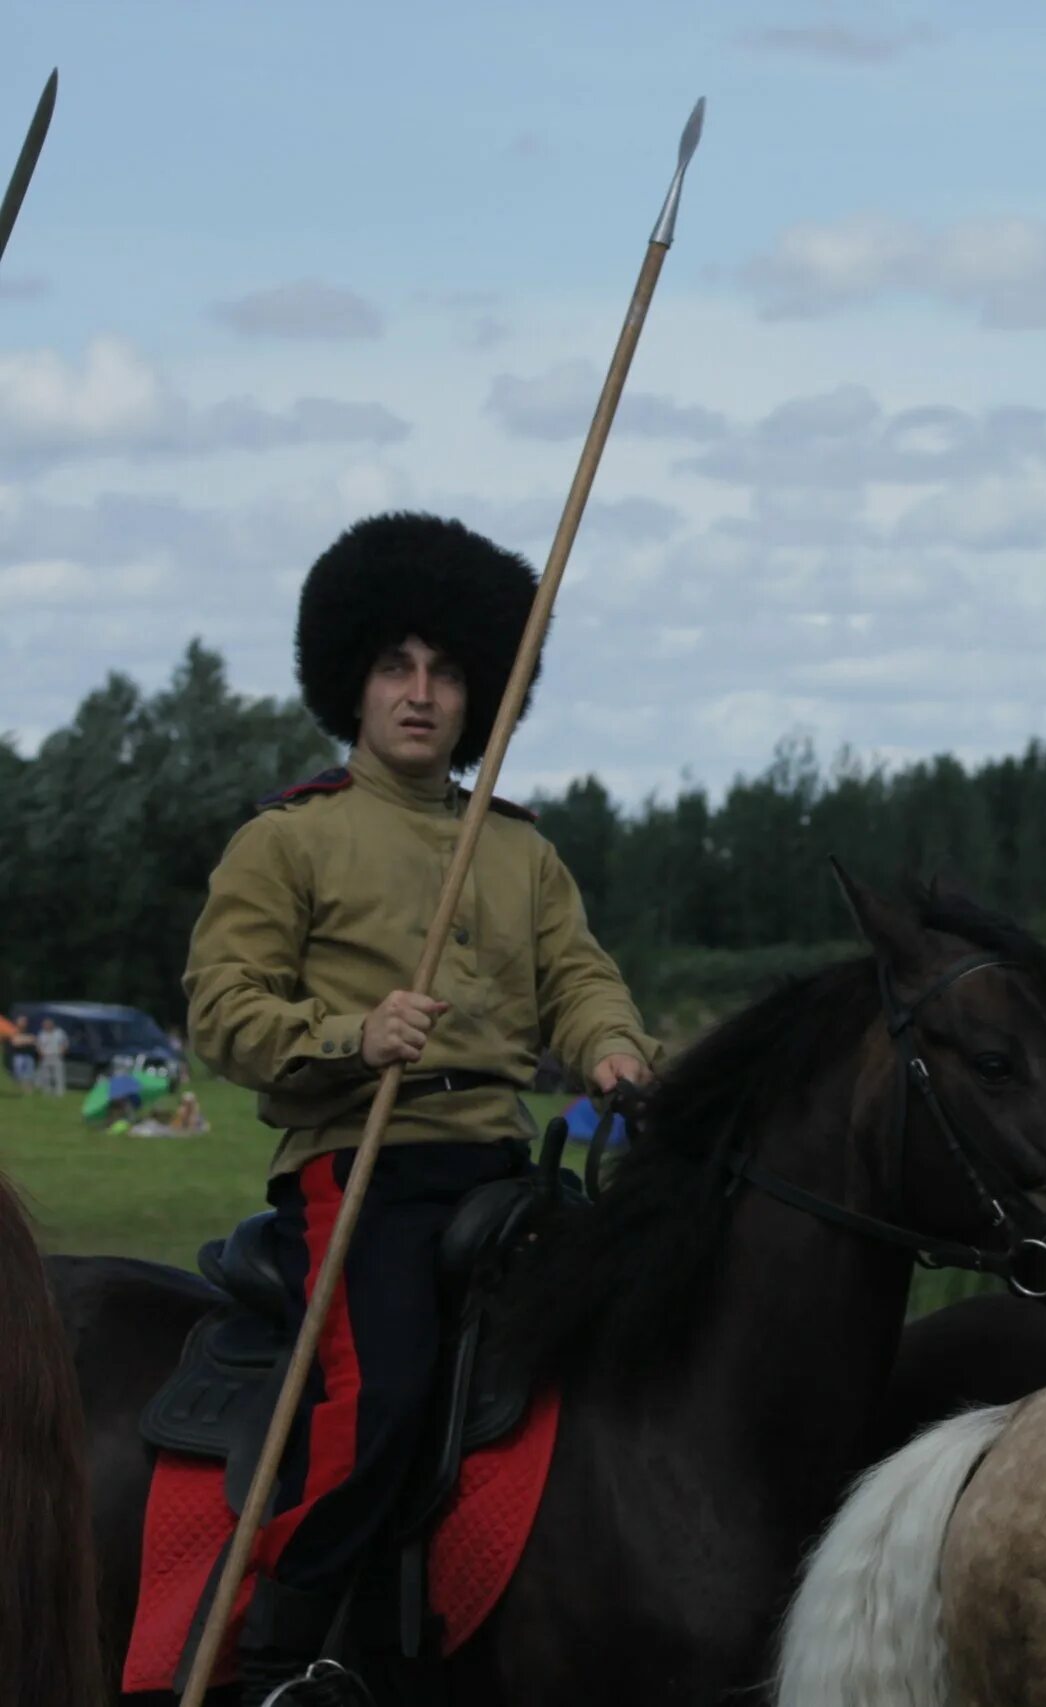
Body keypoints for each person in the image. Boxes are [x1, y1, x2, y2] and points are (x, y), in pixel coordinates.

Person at [183, 512, 657, 1706]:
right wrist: (352, 1035)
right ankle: (280, 1657)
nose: (420, 694)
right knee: (382, 1397)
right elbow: (224, 1014)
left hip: (503, 1168)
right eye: (396, 666)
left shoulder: (521, 854)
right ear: (352, 678)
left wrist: (611, 1051)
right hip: (363, 1166)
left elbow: (581, 980)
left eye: (446, 672)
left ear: (479, 691)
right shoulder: (287, 841)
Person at [33, 1017, 67, 1097]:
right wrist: (40, 1053)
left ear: (52, 1025)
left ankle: (59, 1092)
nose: (46, 1026)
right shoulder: (41, 1034)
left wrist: (63, 1050)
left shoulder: (59, 1033)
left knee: (58, 1075)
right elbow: (38, 1045)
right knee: (46, 1076)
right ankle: (47, 1092)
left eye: (47, 1025)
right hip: (46, 1056)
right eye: (45, 1025)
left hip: (56, 1055)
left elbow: (65, 1043)